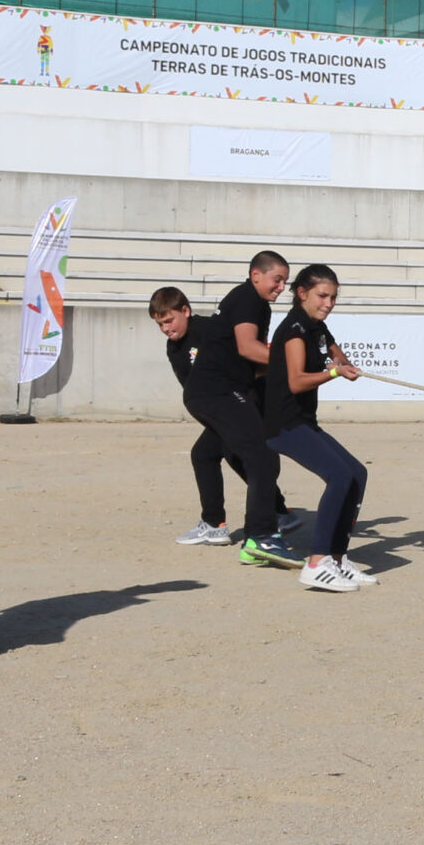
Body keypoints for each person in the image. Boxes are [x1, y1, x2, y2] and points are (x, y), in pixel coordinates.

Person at [149, 286, 300, 546]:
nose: (166, 328)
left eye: (169, 320)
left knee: (232, 455)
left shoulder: (211, 330)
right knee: (207, 454)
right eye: (160, 324)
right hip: (221, 405)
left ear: (186, 310)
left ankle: (230, 523)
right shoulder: (173, 348)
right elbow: (193, 386)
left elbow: (248, 359)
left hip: (244, 400)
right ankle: (269, 514)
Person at [264, 263, 373, 594]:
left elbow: (335, 354)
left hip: (303, 422)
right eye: (322, 296)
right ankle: (315, 563)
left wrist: (342, 363)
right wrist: (335, 373)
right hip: (283, 425)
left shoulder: (317, 328)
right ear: (302, 294)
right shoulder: (294, 330)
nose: (328, 303)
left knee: (356, 473)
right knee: (339, 476)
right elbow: (296, 382)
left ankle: (336, 558)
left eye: (334, 297)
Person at [213, 250, 299, 570]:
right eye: (277, 280)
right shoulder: (248, 299)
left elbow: (255, 362)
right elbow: (248, 348)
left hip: (231, 389)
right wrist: (291, 357)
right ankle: (259, 535)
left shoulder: (258, 303)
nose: (281, 287)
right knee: (262, 457)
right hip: (221, 391)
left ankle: (261, 520)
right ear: (256, 275)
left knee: (215, 452)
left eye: (285, 282)